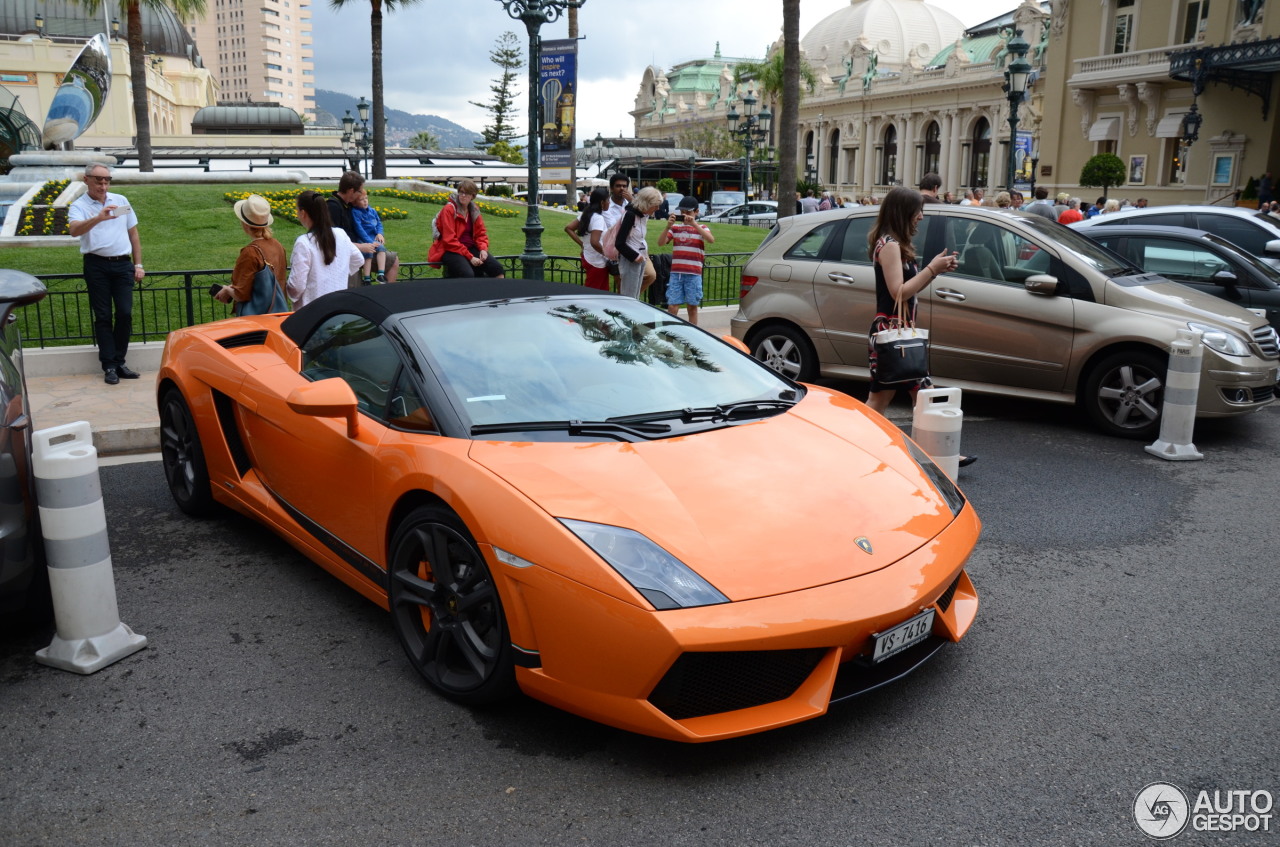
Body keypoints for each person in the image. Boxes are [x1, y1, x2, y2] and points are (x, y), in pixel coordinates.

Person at [67, 163, 144, 385]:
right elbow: (74, 231)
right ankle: (109, 365)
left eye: (107, 180)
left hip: (122, 265)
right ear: (86, 179)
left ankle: (120, 362)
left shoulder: (120, 201)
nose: (103, 185)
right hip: (96, 265)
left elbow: (134, 233)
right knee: (102, 316)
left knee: (124, 313)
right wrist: (98, 217)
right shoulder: (79, 205)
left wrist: (138, 265)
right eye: (98, 180)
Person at [286, 190, 363, 309]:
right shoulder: (340, 234)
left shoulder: (304, 242)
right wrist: (339, 273)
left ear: (303, 213)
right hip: (337, 309)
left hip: (311, 312)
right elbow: (358, 260)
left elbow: (297, 286)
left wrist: (286, 291)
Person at [214, 193, 288, 312]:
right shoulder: (277, 245)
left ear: (245, 224)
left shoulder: (250, 252)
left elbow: (241, 295)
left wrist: (227, 290)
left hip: (256, 320)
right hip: (278, 314)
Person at [327, 171, 399, 286]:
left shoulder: (351, 205)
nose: (360, 195)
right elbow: (332, 240)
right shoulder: (333, 207)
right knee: (353, 288)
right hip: (346, 257)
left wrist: (374, 237)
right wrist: (360, 246)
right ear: (351, 191)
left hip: (363, 248)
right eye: (359, 191)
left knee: (392, 260)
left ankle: (386, 296)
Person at [428, 179, 506, 278]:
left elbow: (480, 234)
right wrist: (470, 257)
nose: (463, 195)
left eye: (467, 193)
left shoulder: (474, 210)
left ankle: (497, 293)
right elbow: (449, 240)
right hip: (450, 249)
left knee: (497, 269)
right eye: (461, 192)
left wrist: (483, 249)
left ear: (473, 196)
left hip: (470, 247)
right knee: (467, 274)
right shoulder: (449, 209)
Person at [658, 195, 715, 325]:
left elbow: (711, 240)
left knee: (692, 307)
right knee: (672, 307)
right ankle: (670, 335)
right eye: (682, 212)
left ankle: (693, 336)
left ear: (696, 211)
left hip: (694, 274)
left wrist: (694, 224)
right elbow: (661, 243)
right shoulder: (675, 228)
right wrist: (668, 226)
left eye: (688, 212)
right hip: (676, 274)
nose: (684, 215)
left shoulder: (702, 228)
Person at [614, 186, 662, 298]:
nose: (658, 208)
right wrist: (635, 256)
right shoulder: (630, 215)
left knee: (634, 296)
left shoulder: (642, 215)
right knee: (629, 296)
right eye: (655, 205)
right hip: (632, 259)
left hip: (639, 258)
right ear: (647, 203)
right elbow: (619, 242)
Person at [564, 186, 611, 291]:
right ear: (602, 202)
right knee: (593, 293)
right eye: (608, 200)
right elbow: (594, 242)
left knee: (601, 292)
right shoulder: (598, 218)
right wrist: (608, 254)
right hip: (597, 262)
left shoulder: (587, 214)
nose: (609, 203)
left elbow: (568, 228)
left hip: (588, 257)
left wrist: (582, 244)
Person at [350, 189, 390, 284]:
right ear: (355, 203)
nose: (365, 201)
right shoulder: (355, 212)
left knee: (381, 249)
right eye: (361, 200)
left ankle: (381, 274)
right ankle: (367, 278)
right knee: (369, 253)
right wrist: (370, 241)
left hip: (374, 237)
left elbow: (379, 223)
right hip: (363, 238)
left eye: (366, 198)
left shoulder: (372, 211)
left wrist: (380, 233)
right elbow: (359, 228)